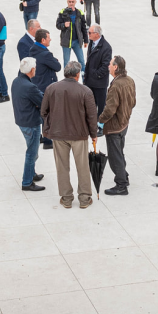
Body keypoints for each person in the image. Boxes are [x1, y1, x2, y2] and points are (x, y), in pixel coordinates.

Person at [41, 61, 98, 209]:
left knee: (62, 167)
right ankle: (84, 199)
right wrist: (94, 134)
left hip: (58, 134)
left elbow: (43, 111)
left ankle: (66, 199)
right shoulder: (85, 91)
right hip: (79, 135)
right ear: (77, 75)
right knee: (83, 167)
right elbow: (92, 116)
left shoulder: (51, 88)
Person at [99, 55, 136, 195]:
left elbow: (110, 110)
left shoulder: (116, 85)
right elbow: (133, 102)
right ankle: (124, 176)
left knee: (115, 157)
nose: (108, 66)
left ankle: (121, 185)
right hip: (124, 123)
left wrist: (100, 120)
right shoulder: (129, 80)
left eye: (110, 64)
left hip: (114, 127)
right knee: (119, 152)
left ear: (115, 67)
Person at [11, 57, 45, 192]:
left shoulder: (16, 81)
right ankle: (27, 182)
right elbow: (43, 102)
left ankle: (32, 173)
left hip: (22, 120)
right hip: (31, 123)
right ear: (32, 70)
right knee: (32, 153)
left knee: (32, 149)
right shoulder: (30, 87)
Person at [83, 25, 112, 113]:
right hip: (90, 82)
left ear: (97, 34)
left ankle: (99, 121)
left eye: (90, 33)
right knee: (90, 106)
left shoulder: (106, 48)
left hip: (99, 84)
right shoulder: (92, 43)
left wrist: (94, 74)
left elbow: (105, 66)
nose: (88, 34)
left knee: (101, 108)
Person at [56, 0, 87, 68]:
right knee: (66, 63)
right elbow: (58, 25)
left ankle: (84, 75)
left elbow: (83, 27)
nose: (71, 3)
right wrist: (64, 25)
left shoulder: (79, 12)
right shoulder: (62, 12)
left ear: (75, 2)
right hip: (66, 42)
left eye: (73, 2)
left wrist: (86, 40)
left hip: (77, 41)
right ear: (67, 2)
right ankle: (66, 75)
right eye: (69, 2)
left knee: (82, 61)